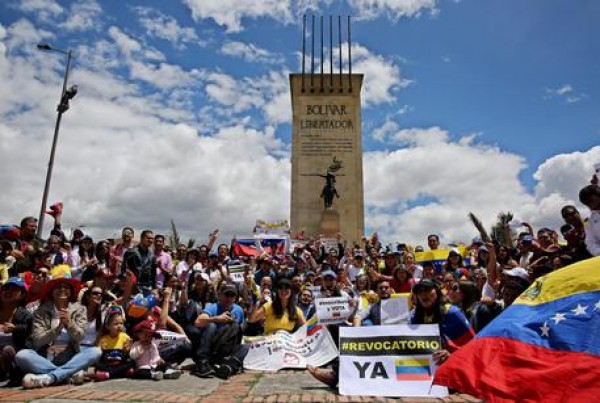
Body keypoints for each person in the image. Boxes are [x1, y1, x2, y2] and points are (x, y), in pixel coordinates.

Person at [15, 277, 102, 388]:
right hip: (46, 357)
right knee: (21, 355)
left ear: (71, 292)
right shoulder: (41, 312)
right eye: (58, 287)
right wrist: (58, 329)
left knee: (95, 351)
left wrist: (69, 324)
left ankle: (49, 377)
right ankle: (66, 375)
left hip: (71, 356)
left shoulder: (80, 309)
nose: (62, 289)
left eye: (66, 287)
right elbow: (37, 341)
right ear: (51, 292)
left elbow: (80, 337)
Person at [190, 284, 248, 379]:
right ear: (220, 295)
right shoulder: (213, 307)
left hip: (227, 347)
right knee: (211, 325)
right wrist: (217, 319)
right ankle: (202, 362)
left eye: (232, 295)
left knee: (246, 346)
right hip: (212, 346)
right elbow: (198, 322)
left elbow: (240, 332)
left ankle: (228, 365)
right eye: (226, 295)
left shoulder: (239, 310)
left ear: (235, 297)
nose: (229, 298)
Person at [411, 279, 475, 364]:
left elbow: (472, 345)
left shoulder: (452, 313)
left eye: (427, 289)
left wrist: (451, 354)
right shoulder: (415, 316)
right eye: (419, 292)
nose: (423, 294)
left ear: (437, 292)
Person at [0, 278, 32, 383]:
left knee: (7, 351)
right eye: (6, 289)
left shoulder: (25, 314)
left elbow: (31, 330)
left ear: (22, 295)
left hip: (14, 356)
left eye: (13, 289)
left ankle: (10, 373)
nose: (8, 292)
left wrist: (15, 328)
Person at [94, 306, 134, 381]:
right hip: (108, 364)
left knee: (131, 363)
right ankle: (117, 373)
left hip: (120, 364)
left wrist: (126, 350)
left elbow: (127, 354)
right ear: (108, 326)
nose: (119, 326)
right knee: (97, 366)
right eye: (116, 324)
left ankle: (109, 374)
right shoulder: (103, 339)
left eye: (121, 323)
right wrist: (101, 349)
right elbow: (100, 356)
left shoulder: (125, 337)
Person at [122, 230, 156, 296]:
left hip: (148, 286)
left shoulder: (152, 254)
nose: (150, 240)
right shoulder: (131, 252)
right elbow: (123, 270)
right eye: (148, 238)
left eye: (152, 238)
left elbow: (153, 272)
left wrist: (154, 288)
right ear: (142, 238)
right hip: (134, 287)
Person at [578, 184, 600, 256]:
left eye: (589, 198)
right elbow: (590, 242)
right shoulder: (587, 221)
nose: (588, 202)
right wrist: (598, 252)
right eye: (585, 201)